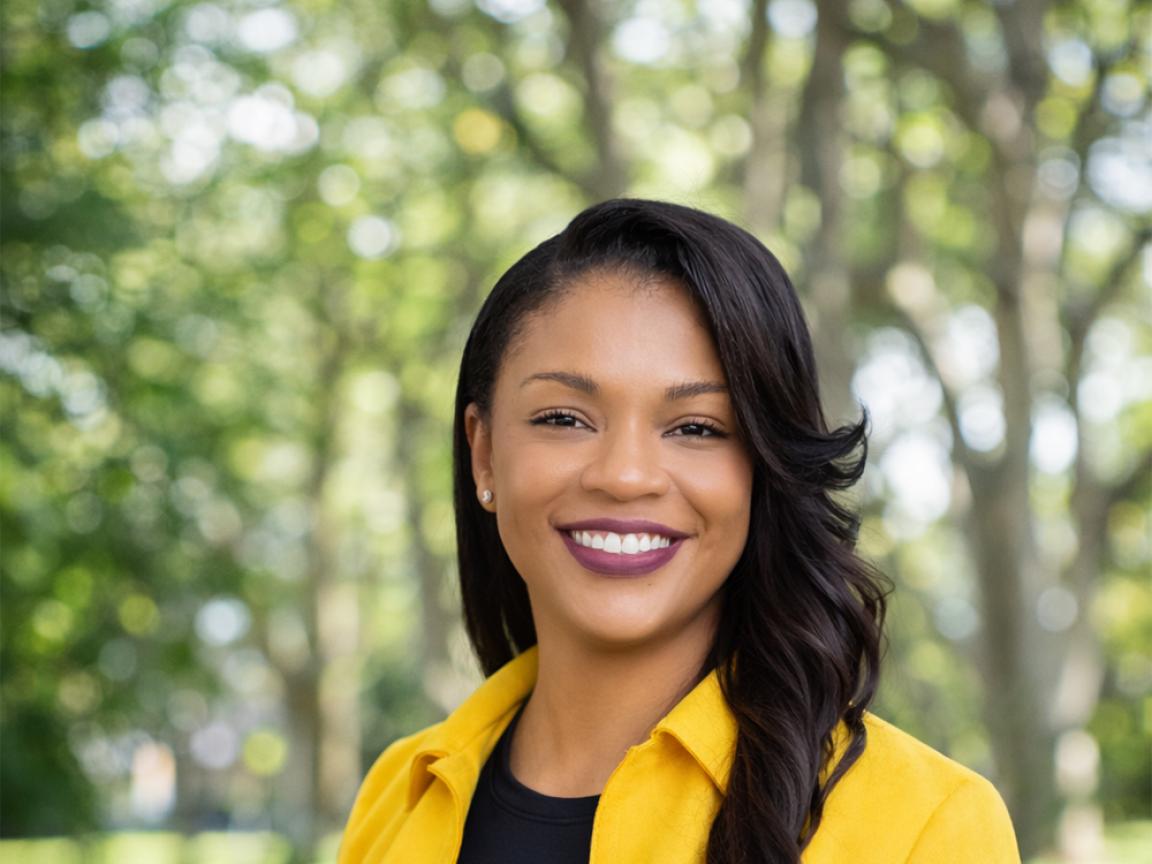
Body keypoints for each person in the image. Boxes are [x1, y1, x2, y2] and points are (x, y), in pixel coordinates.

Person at [336, 199, 1021, 863]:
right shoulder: (396, 795)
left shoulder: (926, 824)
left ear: (762, 466)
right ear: (484, 454)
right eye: (565, 418)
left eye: (697, 428)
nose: (627, 475)